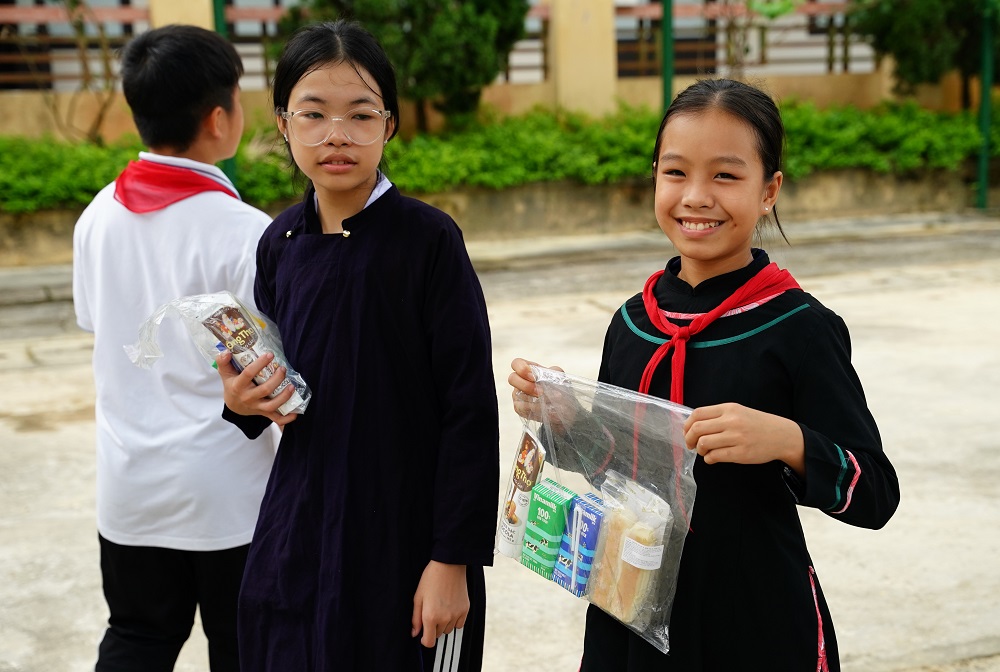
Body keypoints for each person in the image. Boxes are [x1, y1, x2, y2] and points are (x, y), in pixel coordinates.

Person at [509, 78, 900, 671]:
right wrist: (568, 418)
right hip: (629, 611)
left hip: (753, 618)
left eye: (725, 175)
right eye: (675, 172)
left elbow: (875, 491)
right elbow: (616, 469)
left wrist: (786, 441)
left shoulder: (799, 327)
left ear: (769, 190)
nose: (696, 196)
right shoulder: (634, 322)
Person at [215, 20, 499, 671]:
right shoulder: (279, 243)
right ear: (284, 124)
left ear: (390, 125)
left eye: (359, 114)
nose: (335, 134)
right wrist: (242, 399)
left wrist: (451, 559)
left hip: (406, 532)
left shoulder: (428, 242)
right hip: (303, 524)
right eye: (313, 114)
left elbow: (470, 410)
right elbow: (275, 375)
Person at [72, 24, 278, 672]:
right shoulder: (245, 233)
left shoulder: (97, 217)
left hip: (130, 491)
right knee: (246, 651)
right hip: (229, 499)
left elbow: (99, 329)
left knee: (135, 640)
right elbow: (273, 363)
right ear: (219, 118)